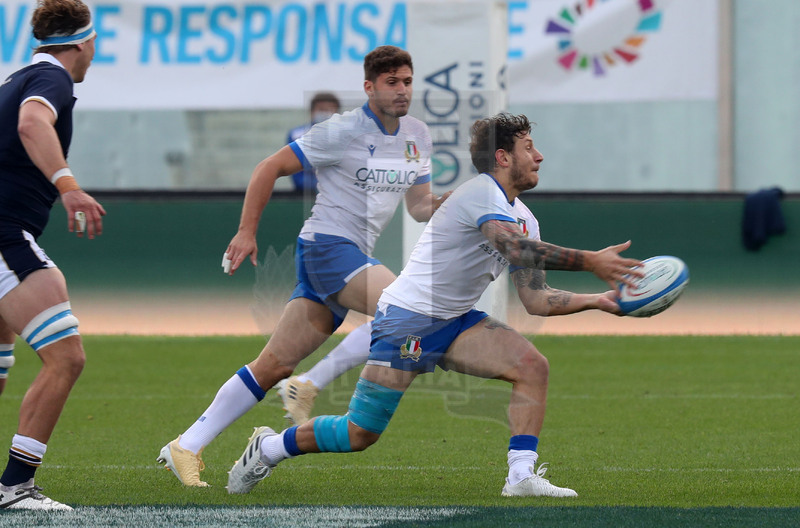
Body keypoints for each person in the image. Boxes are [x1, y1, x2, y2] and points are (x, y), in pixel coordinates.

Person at [225, 112, 644, 498]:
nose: (539, 155)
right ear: (502, 157)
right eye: (528, 147)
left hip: (456, 321)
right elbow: (515, 250)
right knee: (360, 433)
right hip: (407, 320)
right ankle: (269, 447)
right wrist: (591, 260)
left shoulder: (526, 218)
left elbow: (536, 300)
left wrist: (599, 301)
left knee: (532, 366)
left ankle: (520, 477)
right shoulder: (479, 194)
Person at [158, 45, 449, 487]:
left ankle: (187, 444)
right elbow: (269, 167)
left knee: (272, 365)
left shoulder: (418, 136)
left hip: (347, 258)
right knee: (402, 306)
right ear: (369, 87)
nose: (402, 90)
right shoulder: (343, 129)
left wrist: (458, 202)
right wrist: (246, 231)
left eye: (407, 81)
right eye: (392, 82)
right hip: (327, 247)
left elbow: (420, 205)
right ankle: (311, 384)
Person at [0, 0, 104, 511]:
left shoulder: (15, 78)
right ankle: (15, 487)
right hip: (5, 235)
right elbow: (30, 125)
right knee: (66, 357)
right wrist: (69, 186)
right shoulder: (53, 81)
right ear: (84, 42)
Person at [286, 92, 341, 193]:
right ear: (312, 112)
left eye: (329, 110)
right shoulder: (297, 135)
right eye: (321, 110)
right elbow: (298, 178)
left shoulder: (346, 137)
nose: (325, 114)